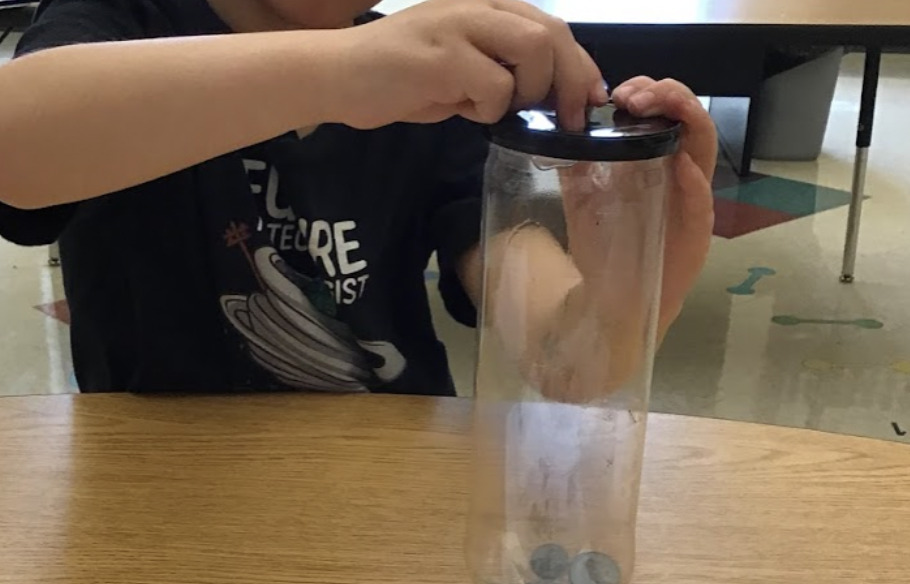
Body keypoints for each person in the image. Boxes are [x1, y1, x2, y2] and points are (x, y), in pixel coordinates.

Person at [0, 0, 716, 395]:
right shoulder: (115, 22)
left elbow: (565, 361)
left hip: (381, 500)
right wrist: (342, 71)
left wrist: (626, 296)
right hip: (157, 506)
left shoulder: (432, 86)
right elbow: (16, 147)